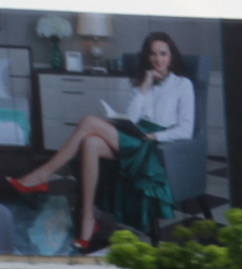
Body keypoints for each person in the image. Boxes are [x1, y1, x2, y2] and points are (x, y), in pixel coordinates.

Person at [4, 32, 191, 251]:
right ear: (147, 56)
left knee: (89, 121)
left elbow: (186, 129)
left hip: (154, 145)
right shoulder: (142, 83)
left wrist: (155, 136)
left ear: (171, 56)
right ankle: (88, 218)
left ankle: (43, 174)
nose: (158, 59)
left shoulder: (182, 85)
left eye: (163, 54)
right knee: (91, 142)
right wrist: (144, 88)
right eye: (153, 54)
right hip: (135, 136)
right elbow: (132, 117)